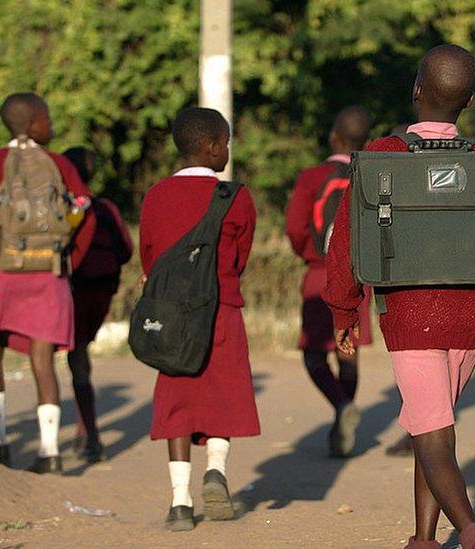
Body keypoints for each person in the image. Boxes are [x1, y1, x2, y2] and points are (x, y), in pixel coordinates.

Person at [323, 45, 475, 549]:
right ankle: (423, 537)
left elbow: (345, 243)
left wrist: (344, 311)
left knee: (433, 434)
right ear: (468, 102)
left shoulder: (381, 157)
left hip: (411, 316)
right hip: (472, 316)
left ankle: (471, 531)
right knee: (435, 427)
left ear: (416, 90)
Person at [0, 93, 95, 474]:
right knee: (43, 359)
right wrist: (66, 264)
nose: (50, 124)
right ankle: (50, 452)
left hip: (0, 270)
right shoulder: (60, 164)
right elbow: (86, 213)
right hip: (47, 273)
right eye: (46, 117)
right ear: (33, 122)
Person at [139, 107, 260, 531]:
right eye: (225, 142)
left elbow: (150, 258)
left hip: (172, 315)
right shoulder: (237, 197)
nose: (227, 149)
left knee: (177, 401)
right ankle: (217, 471)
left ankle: (179, 503)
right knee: (222, 394)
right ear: (211, 147)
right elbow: (240, 258)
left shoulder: (155, 196)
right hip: (222, 309)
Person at [285, 106, 373, 457]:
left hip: (320, 272)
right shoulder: (369, 174)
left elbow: (294, 227)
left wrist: (309, 253)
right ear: (365, 141)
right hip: (357, 276)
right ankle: (343, 419)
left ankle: (340, 407)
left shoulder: (311, 177)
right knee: (347, 352)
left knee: (313, 354)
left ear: (333, 137)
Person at [62, 147, 134, 464]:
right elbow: (127, 249)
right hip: (101, 293)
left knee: (74, 358)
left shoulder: (65, 206)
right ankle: (84, 432)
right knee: (80, 355)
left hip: (72, 290)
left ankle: (89, 436)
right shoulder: (106, 207)